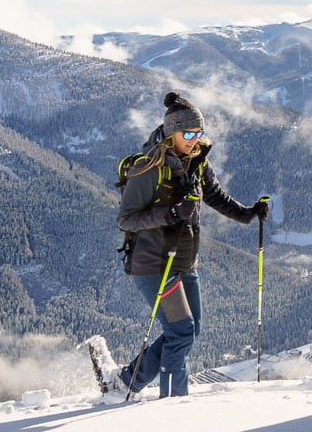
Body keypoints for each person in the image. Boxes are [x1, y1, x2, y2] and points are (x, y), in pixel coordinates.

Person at [113, 91, 267, 397]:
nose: (195, 139)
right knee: (181, 332)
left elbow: (215, 196)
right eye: (189, 133)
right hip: (154, 264)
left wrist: (248, 214)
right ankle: (172, 402)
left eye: (199, 132)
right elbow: (127, 219)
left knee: (189, 329)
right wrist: (169, 213)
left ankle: (127, 382)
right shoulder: (148, 168)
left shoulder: (196, 161)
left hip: (184, 261)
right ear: (172, 132)